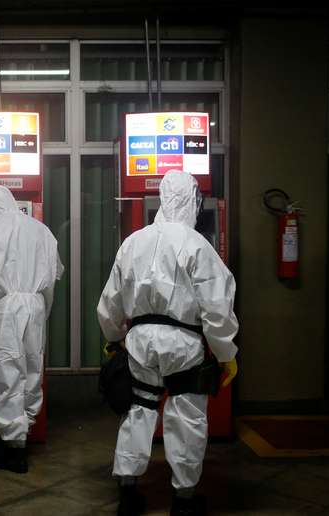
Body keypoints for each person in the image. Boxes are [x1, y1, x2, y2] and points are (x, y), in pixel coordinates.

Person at [97, 170, 238, 515]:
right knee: (186, 416)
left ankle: (128, 492)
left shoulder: (134, 242)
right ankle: (184, 499)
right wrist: (225, 352)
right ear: (193, 201)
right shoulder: (197, 245)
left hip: (140, 341)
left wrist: (114, 337)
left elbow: (110, 300)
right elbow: (217, 307)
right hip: (184, 343)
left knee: (139, 410)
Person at [0, 185, 64, 473]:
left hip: (6, 310)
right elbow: (56, 272)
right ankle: (25, 430)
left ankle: (13, 449)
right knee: (32, 372)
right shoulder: (42, 230)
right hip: (36, 307)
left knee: (7, 373)